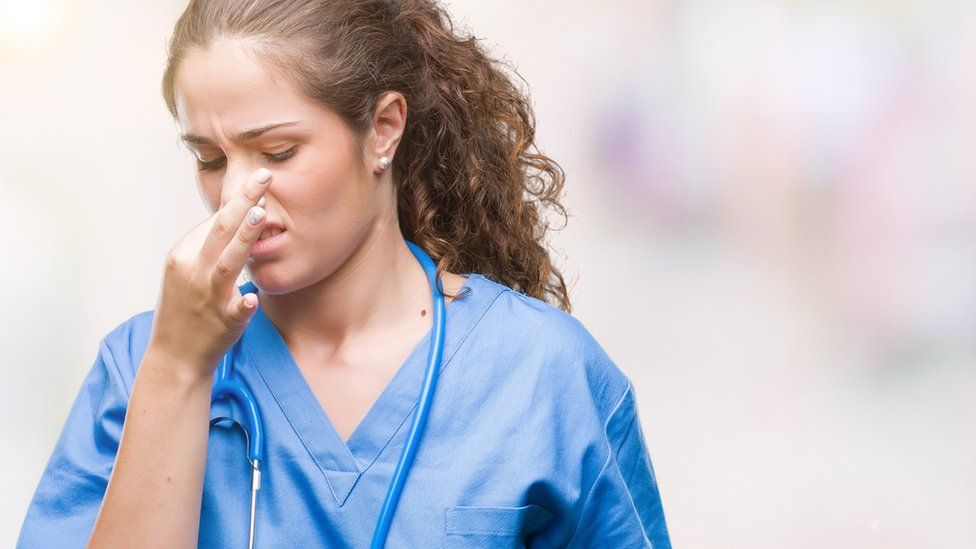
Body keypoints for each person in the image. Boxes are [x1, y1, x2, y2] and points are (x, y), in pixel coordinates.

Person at [17, 0, 671, 547]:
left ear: (383, 128)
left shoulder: (544, 374)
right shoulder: (140, 368)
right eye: (211, 159)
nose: (235, 194)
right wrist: (179, 374)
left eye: (278, 151)